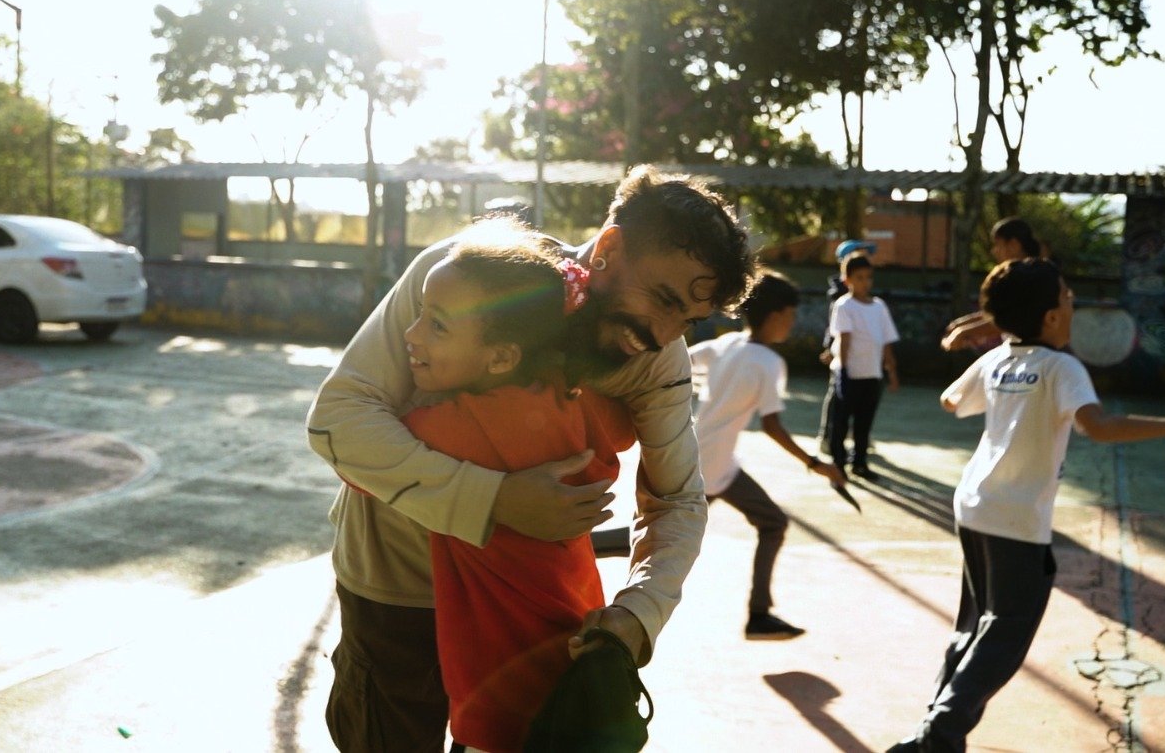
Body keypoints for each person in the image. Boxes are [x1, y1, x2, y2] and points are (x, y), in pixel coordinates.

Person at [306, 165, 753, 753]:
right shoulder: (468, 273)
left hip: (525, 620)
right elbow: (341, 420)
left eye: (687, 321)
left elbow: (677, 500)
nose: (665, 334)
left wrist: (638, 614)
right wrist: (495, 501)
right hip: (399, 592)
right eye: (663, 300)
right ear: (610, 248)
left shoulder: (656, 359)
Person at [889, 258, 1165, 753]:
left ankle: (939, 732)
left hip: (974, 506)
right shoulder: (1062, 367)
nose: (1072, 302)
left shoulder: (999, 359)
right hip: (1014, 518)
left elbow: (951, 401)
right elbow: (1098, 426)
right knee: (1005, 634)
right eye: (1067, 296)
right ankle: (937, 737)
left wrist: (998, 374)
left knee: (974, 626)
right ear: (1052, 317)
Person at [387, 219, 634, 752]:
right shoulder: (573, 398)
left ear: (501, 356)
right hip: (578, 660)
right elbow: (622, 430)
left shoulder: (454, 426)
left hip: (501, 697)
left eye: (437, 326)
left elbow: (361, 464)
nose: (412, 335)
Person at [689, 270, 847, 641]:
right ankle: (758, 616)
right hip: (711, 468)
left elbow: (679, 359)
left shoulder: (726, 345)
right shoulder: (770, 364)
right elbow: (773, 426)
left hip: (701, 458)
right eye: (790, 316)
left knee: (653, 532)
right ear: (776, 316)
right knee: (771, 525)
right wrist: (816, 464)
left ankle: (760, 615)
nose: (791, 324)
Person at [820, 251, 900, 480]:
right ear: (847, 280)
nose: (865, 282)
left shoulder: (879, 307)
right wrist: (843, 371)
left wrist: (891, 371)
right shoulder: (844, 306)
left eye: (868, 277)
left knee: (864, 423)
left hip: (872, 376)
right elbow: (844, 340)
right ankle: (838, 464)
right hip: (848, 375)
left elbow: (885, 342)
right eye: (859, 278)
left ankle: (860, 463)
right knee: (841, 422)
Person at [939, 217, 1041, 352]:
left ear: (1014, 244)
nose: (994, 251)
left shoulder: (1033, 275)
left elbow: (1010, 321)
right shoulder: (1017, 274)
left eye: (998, 244)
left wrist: (963, 332)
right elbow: (1000, 314)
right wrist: (959, 325)